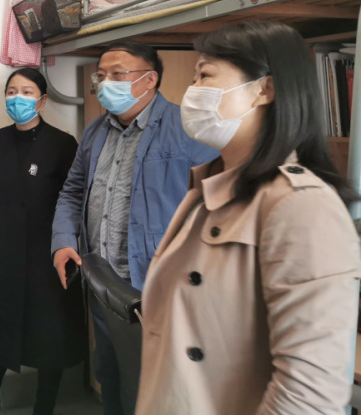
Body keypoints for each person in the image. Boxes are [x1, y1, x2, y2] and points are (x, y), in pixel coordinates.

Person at [135, 21, 361, 415]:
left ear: (264, 89)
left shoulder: (302, 206)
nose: (192, 91)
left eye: (205, 75)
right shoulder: (208, 188)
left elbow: (308, 395)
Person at [51, 41, 218, 414]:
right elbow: (72, 191)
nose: (105, 82)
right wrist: (63, 240)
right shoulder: (95, 131)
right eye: (101, 75)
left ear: (149, 79)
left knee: (153, 386)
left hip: (153, 289)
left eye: (117, 74)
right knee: (110, 373)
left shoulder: (186, 127)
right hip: (102, 284)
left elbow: (218, 204)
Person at [0, 68, 86, 415]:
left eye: (26, 91)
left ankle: (43, 407)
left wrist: (70, 243)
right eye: (11, 91)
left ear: (42, 100)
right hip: (3, 252)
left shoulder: (63, 144)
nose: (17, 98)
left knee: (50, 332)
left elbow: (74, 198)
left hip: (47, 255)